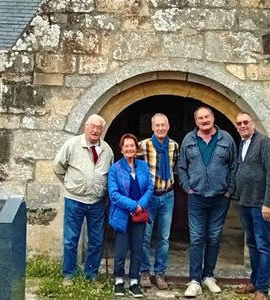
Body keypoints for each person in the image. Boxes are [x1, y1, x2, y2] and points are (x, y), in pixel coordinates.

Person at [178, 106, 237, 297]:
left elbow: (234, 166)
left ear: (213, 117)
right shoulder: (189, 140)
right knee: (196, 238)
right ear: (196, 122)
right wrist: (187, 187)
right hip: (196, 198)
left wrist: (230, 190)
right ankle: (194, 280)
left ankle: (208, 276)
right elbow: (182, 167)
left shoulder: (226, 139)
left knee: (213, 237)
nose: (204, 120)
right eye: (200, 118)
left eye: (207, 117)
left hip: (220, 198)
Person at [53, 114, 114, 286]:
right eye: (92, 126)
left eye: (99, 128)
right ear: (86, 127)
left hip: (97, 201)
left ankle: (91, 275)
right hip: (75, 199)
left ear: (102, 130)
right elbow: (58, 167)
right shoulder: (72, 145)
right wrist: (70, 184)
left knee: (95, 240)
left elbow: (110, 173)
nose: (95, 130)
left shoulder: (107, 150)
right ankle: (68, 275)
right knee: (71, 239)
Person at [234, 112, 270, 300]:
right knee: (251, 244)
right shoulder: (242, 143)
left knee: (262, 246)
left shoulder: (263, 142)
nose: (243, 126)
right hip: (244, 202)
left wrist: (267, 203)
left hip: (260, 205)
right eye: (239, 124)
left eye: (246, 122)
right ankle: (254, 281)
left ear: (252, 123)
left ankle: (263, 290)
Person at [108, 133, 153, 298]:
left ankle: (134, 281)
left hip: (139, 215)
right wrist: (133, 206)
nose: (129, 148)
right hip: (122, 214)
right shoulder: (115, 168)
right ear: (121, 149)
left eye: (132, 146)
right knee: (120, 250)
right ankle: (119, 280)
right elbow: (113, 194)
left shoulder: (143, 166)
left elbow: (149, 188)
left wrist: (140, 205)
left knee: (137, 249)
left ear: (136, 148)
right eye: (126, 146)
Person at [138, 113, 179, 290]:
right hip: (149, 197)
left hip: (168, 195)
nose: (161, 128)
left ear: (168, 126)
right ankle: (144, 271)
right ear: (152, 127)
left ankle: (160, 273)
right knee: (145, 237)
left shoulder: (174, 146)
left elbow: (175, 167)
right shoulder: (143, 145)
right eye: (157, 125)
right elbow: (135, 168)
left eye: (164, 125)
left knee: (164, 237)